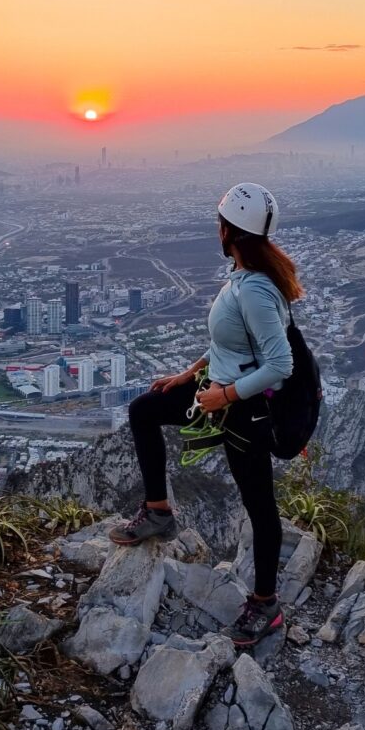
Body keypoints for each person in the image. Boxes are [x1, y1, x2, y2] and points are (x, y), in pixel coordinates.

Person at [108, 182, 304, 646]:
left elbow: (281, 365)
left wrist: (227, 396)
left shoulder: (254, 290)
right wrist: (190, 372)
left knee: (259, 506)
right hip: (216, 389)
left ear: (229, 231)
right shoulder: (242, 277)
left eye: (219, 224)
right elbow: (230, 342)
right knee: (144, 410)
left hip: (245, 410)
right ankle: (158, 511)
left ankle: (265, 604)